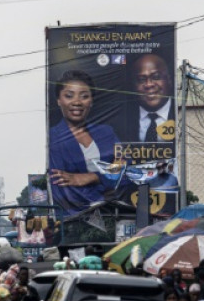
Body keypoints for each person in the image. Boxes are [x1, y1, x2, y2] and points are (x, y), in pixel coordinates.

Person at [48, 70, 121, 216]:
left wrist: (89, 177)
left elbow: (124, 167)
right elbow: (62, 187)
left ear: (91, 101)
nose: (77, 102)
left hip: (113, 214)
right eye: (69, 96)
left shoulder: (106, 133)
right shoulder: (53, 138)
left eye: (84, 96)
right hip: (74, 219)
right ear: (59, 100)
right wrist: (106, 186)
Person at [127, 54, 174, 144]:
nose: (149, 84)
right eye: (141, 80)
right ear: (133, 85)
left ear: (169, 80)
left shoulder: (179, 113)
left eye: (156, 77)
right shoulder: (121, 121)